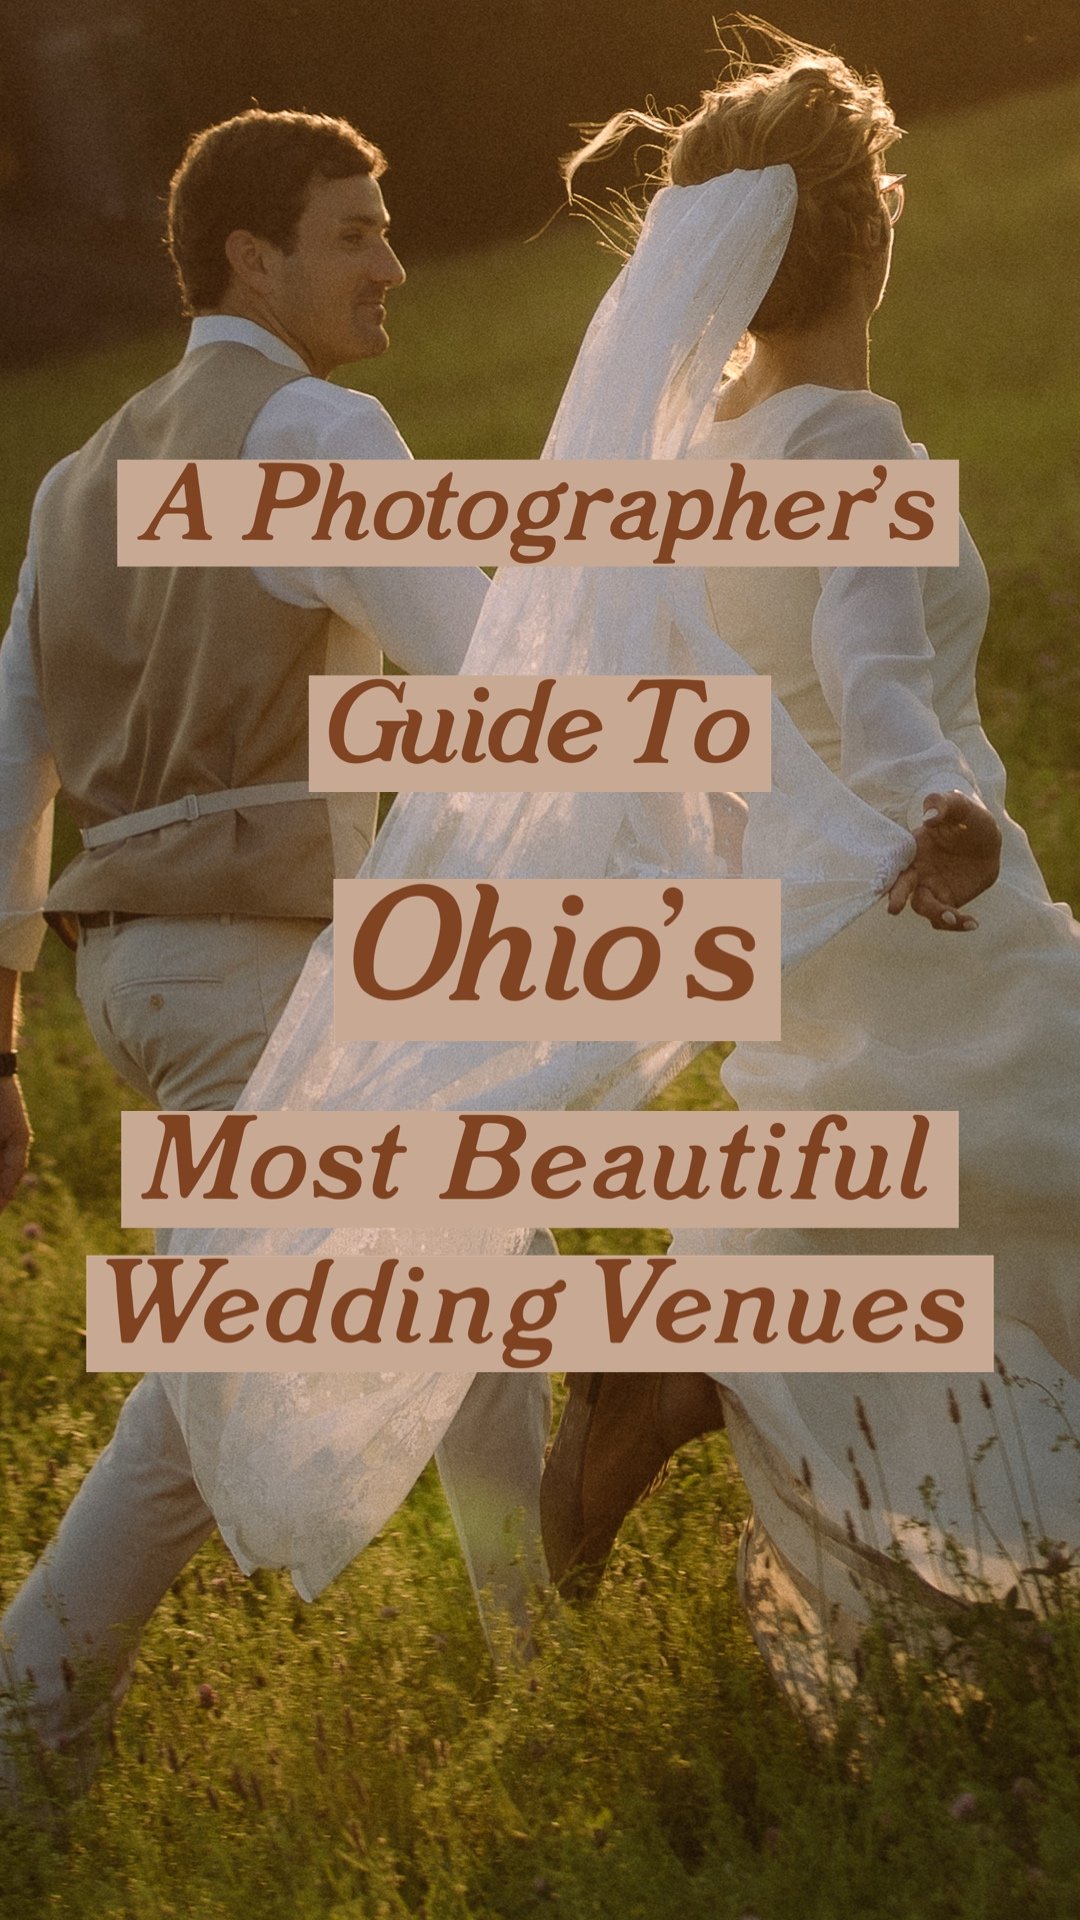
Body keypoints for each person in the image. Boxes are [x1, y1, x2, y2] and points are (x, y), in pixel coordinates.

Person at [0, 108, 550, 1799]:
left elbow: (12, 753)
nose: (393, 264)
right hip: (268, 971)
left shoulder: (78, 474)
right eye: (354, 231)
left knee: (482, 1282)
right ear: (252, 254)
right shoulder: (315, 428)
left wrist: (0, 1044)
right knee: (232, 1374)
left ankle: (539, 1660)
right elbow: (486, 671)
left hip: (135, 983)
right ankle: (28, 1711)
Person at [538, 23, 1080, 1706]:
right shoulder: (848, 453)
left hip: (794, 917)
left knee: (936, 1239)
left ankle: (711, 1361)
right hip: (920, 890)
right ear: (882, 224)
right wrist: (945, 820)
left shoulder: (697, 477)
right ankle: (705, 1360)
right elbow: (875, 674)